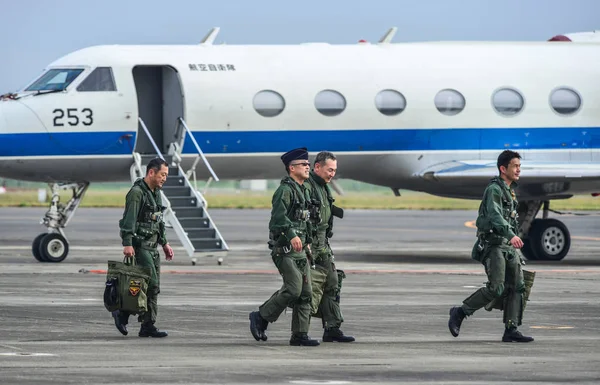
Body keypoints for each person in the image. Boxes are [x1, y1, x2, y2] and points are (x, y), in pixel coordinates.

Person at [448, 150, 534, 343]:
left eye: (519, 165)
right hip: (494, 245)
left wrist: (511, 240)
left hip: (507, 247)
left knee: (518, 287)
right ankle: (460, 312)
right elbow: (495, 216)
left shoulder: (509, 190)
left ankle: (511, 329)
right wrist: (511, 235)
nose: (519, 169)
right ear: (503, 169)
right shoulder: (494, 190)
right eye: (515, 166)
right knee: (496, 288)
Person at [249, 147, 320, 346]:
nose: (307, 167)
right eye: (303, 164)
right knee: (293, 289)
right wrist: (291, 235)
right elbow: (277, 220)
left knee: (306, 294)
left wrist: (307, 243)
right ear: (291, 168)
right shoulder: (284, 191)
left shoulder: (305, 190)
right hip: (285, 252)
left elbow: (305, 221)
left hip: (300, 252)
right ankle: (261, 316)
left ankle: (300, 335)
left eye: (308, 164)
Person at [112, 157, 174, 338]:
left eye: (166, 175)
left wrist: (164, 243)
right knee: (147, 284)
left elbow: (159, 220)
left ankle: (147, 325)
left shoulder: (156, 192)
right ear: (151, 173)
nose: (164, 178)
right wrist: (127, 244)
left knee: (153, 287)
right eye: (162, 174)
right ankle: (122, 313)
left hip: (153, 248)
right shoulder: (137, 193)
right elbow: (128, 220)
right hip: (140, 247)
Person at [305, 151, 355, 342]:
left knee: (333, 282)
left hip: (323, 245)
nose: (332, 173)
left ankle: (332, 328)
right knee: (299, 289)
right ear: (317, 167)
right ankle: (262, 317)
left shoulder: (323, 187)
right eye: (330, 169)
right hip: (310, 245)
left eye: (334, 170)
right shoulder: (308, 187)